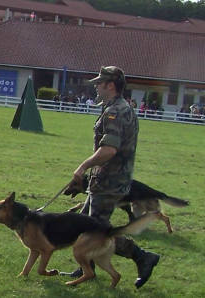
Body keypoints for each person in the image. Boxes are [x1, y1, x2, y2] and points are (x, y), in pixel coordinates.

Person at [61, 66, 160, 288]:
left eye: (99, 83)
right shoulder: (117, 108)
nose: (96, 86)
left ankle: (142, 256)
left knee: (98, 231)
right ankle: (85, 267)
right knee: (84, 223)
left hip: (110, 181)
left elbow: (109, 150)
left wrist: (82, 166)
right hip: (106, 178)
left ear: (110, 85)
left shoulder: (116, 111)